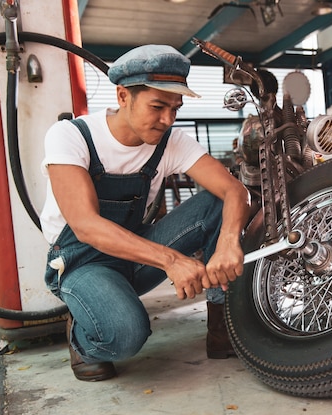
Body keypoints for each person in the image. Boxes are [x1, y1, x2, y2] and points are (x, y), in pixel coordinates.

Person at [39, 45, 251, 381]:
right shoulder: (72, 136)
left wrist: (228, 242)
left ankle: (221, 324)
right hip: (82, 261)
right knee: (125, 335)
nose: (167, 119)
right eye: (157, 106)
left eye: (175, 108)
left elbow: (235, 191)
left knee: (217, 202)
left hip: (134, 256)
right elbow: (85, 226)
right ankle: (82, 338)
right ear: (123, 96)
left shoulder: (171, 141)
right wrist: (172, 261)